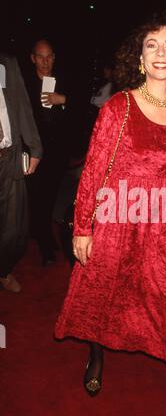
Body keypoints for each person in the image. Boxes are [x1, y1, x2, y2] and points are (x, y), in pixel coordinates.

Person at [55, 11, 166, 416]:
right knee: (103, 296)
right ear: (140, 57)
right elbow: (93, 169)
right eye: (152, 45)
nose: (160, 53)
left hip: (160, 229)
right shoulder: (118, 106)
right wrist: (83, 227)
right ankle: (96, 355)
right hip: (116, 220)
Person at [25, 39, 70, 265]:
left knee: (50, 193)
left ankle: (39, 230)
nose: (45, 61)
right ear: (33, 58)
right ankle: (43, 238)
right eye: (40, 56)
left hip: (58, 150)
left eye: (50, 56)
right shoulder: (24, 83)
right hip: (34, 151)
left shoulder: (63, 80)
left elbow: (82, 109)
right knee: (37, 195)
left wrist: (62, 99)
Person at [0, 53, 42, 292]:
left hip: (9, 156)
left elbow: (23, 107)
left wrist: (34, 147)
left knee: (13, 225)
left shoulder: (7, 64)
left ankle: (3, 269)